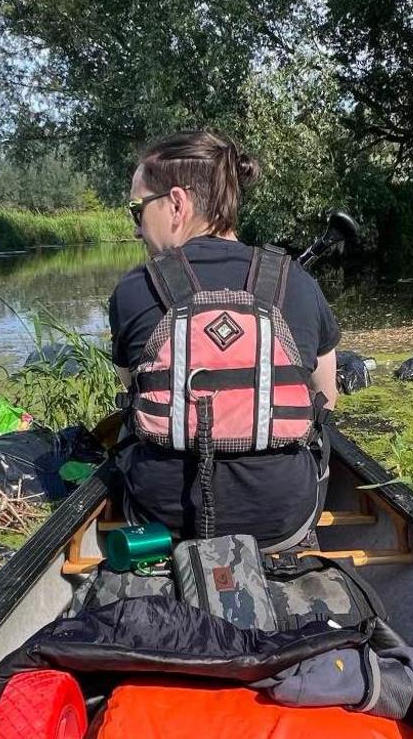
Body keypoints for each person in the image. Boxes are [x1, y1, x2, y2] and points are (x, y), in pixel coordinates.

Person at [108, 130, 341, 550]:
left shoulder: (133, 290)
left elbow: (134, 392)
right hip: (282, 520)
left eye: (136, 210)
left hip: (165, 517)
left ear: (176, 204)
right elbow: (326, 397)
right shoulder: (299, 283)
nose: (138, 230)